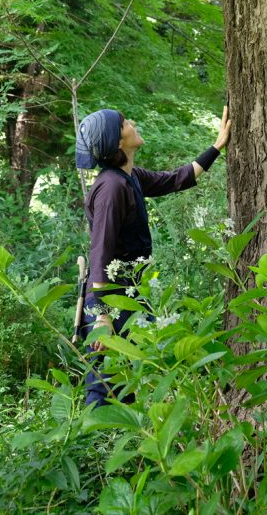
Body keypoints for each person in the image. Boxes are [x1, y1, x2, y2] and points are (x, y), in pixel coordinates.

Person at [74, 106, 231, 406]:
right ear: (117, 142)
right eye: (124, 123)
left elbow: (176, 179)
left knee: (130, 379)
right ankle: (93, 445)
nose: (132, 123)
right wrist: (103, 316)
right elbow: (100, 254)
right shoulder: (110, 189)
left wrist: (217, 146)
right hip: (110, 299)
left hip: (130, 292)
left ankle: (129, 444)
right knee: (104, 385)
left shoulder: (128, 177)